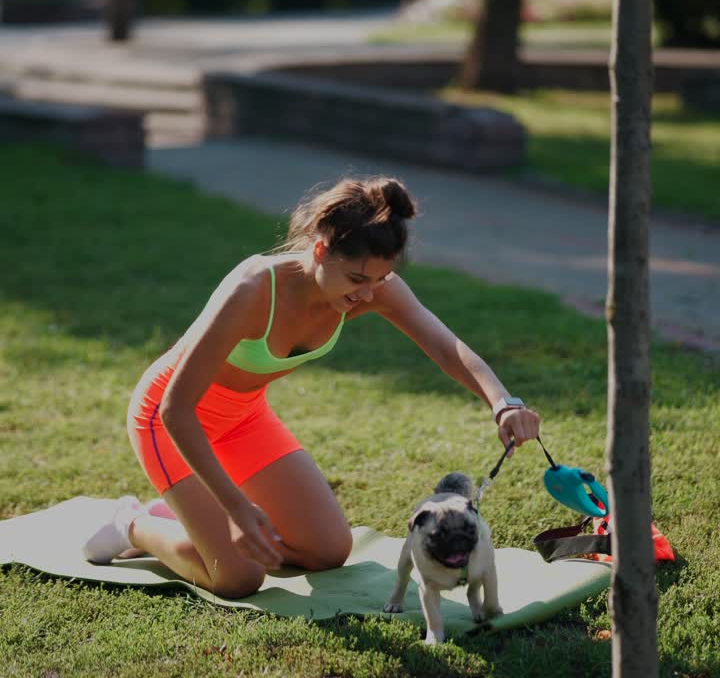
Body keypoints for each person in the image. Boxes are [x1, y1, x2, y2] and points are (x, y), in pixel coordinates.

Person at [82, 176, 540, 597]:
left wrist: (503, 402)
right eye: (357, 279)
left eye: (380, 279)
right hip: (170, 421)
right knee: (238, 577)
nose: (368, 293)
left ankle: (196, 519)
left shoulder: (372, 288)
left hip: (243, 417)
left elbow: (444, 346)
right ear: (320, 250)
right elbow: (175, 409)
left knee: (326, 550)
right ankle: (133, 524)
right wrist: (238, 508)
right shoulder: (253, 290)